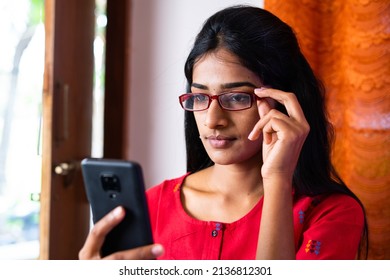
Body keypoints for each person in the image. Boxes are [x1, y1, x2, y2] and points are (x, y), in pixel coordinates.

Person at [79, 5, 367, 260]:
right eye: (200, 97)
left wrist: (277, 179)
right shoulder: (151, 206)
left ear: (283, 101)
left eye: (237, 97)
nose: (212, 120)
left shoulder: (331, 214)